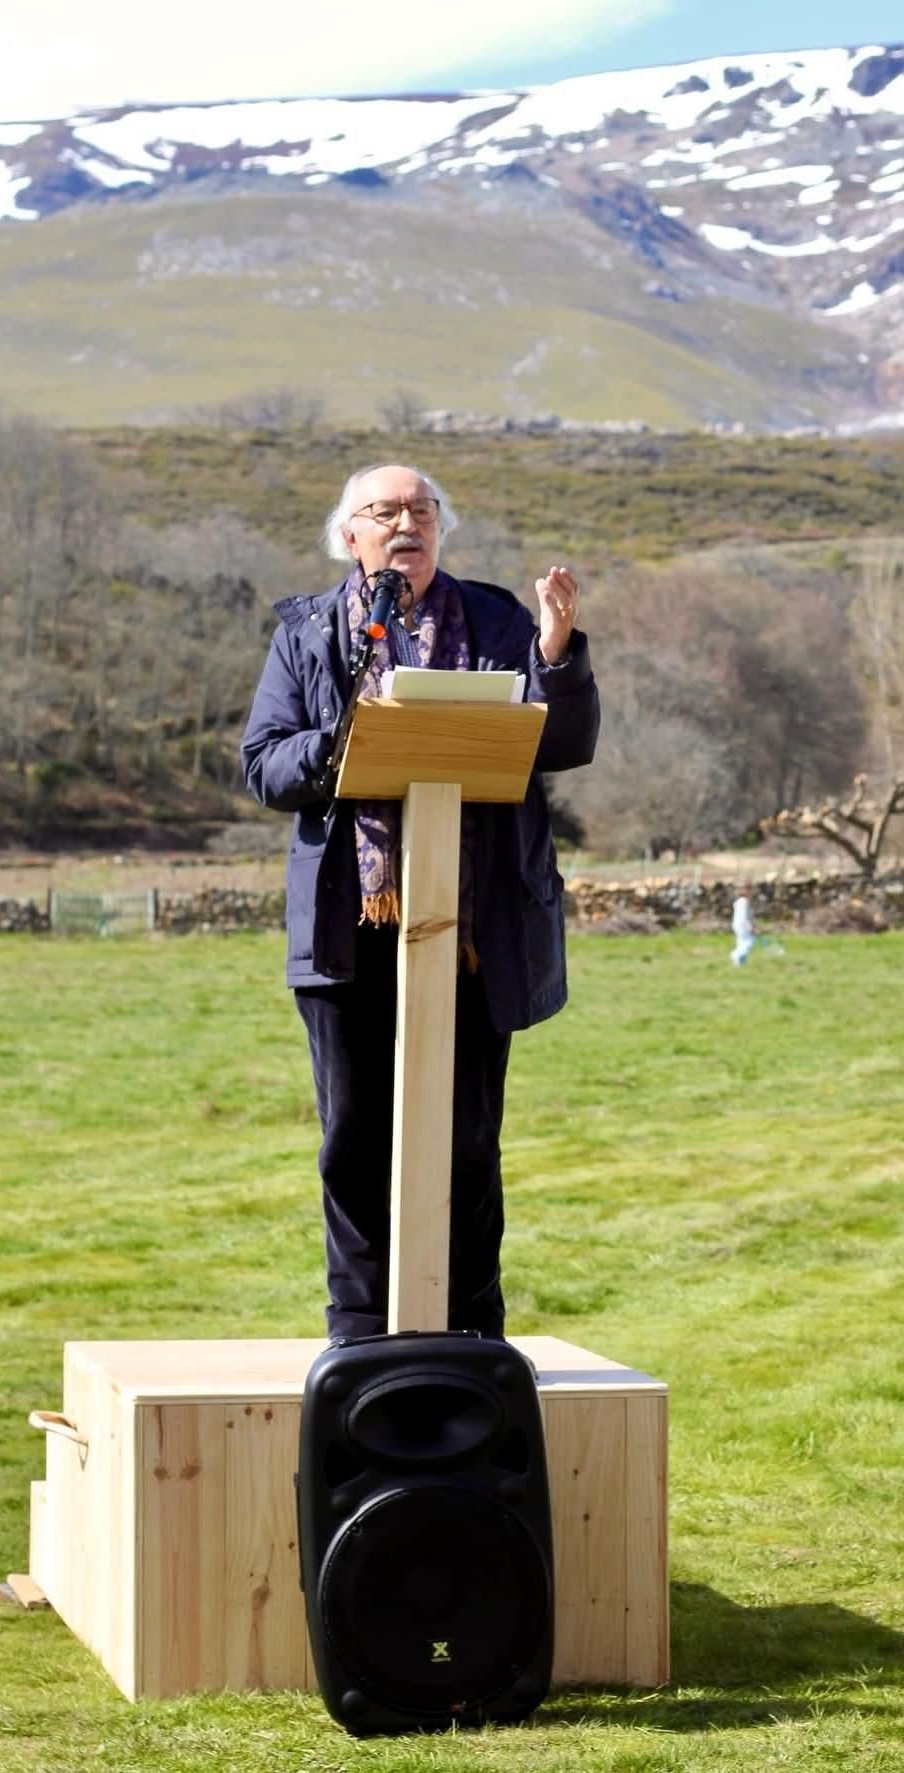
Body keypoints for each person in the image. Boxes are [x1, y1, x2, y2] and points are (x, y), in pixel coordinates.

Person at [241, 462, 599, 1342]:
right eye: (385, 511)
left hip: (476, 934)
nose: (406, 523)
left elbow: (562, 743)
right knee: (354, 1144)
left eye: (421, 510)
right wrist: (352, 739)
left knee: (467, 1146)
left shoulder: (497, 621)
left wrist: (553, 652)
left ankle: (471, 1336)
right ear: (350, 534)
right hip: (349, 934)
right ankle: (361, 1337)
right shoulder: (311, 634)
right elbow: (265, 763)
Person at [731, 892, 756, 966]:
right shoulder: (744, 902)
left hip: (737, 925)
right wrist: (750, 927)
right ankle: (735, 955)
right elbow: (744, 917)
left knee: (741, 943)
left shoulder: (739, 902)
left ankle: (740, 963)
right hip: (743, 926)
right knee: (749, 942)